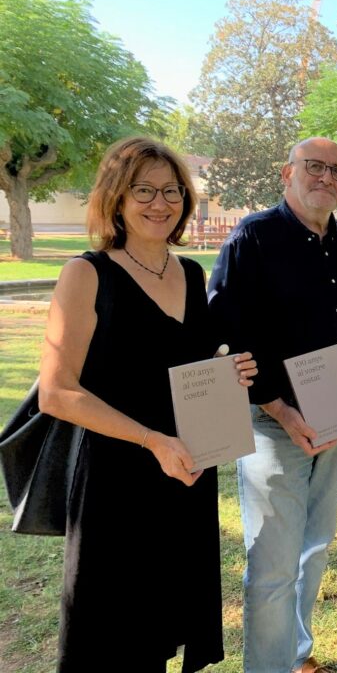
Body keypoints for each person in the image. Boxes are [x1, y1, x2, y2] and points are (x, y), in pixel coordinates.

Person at [38, 136, 257, 672]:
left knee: (162, 632)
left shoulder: (190, 273)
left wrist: (229, 375)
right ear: (116, 197)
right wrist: (149, 439)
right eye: (144, 190)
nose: (160, 204)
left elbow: (186, 371)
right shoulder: (86, 274)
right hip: (118, 481)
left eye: (172, 191)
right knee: (113, 640)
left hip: (184, 473)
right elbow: (57, 392)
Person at [207, 137, 337, 673]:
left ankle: (295, 653)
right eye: (315, 167)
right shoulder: (253, 238)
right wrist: (280, 408)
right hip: (272, 422)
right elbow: (225, 332)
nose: (327, 178)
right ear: (287, 173)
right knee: (272, 563)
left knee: (314, 547)